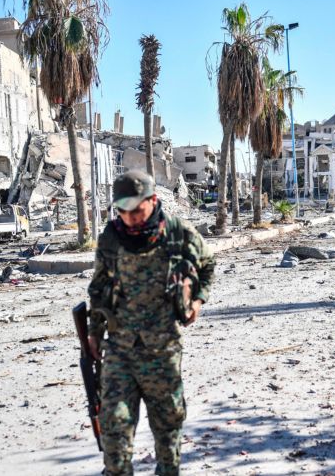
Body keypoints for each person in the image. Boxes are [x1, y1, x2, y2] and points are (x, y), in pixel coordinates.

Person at [87, 170, 215, 476]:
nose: (130, 217)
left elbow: (207, 265)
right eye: (123, 211)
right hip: (120, 349)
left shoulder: (176, 232)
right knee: (114, 430)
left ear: (153, 200)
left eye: (137, 209)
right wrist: (93, 333)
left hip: (162, 350)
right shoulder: (111, 238)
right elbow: (98, 287)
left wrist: (197, 301)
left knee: (168, 431)